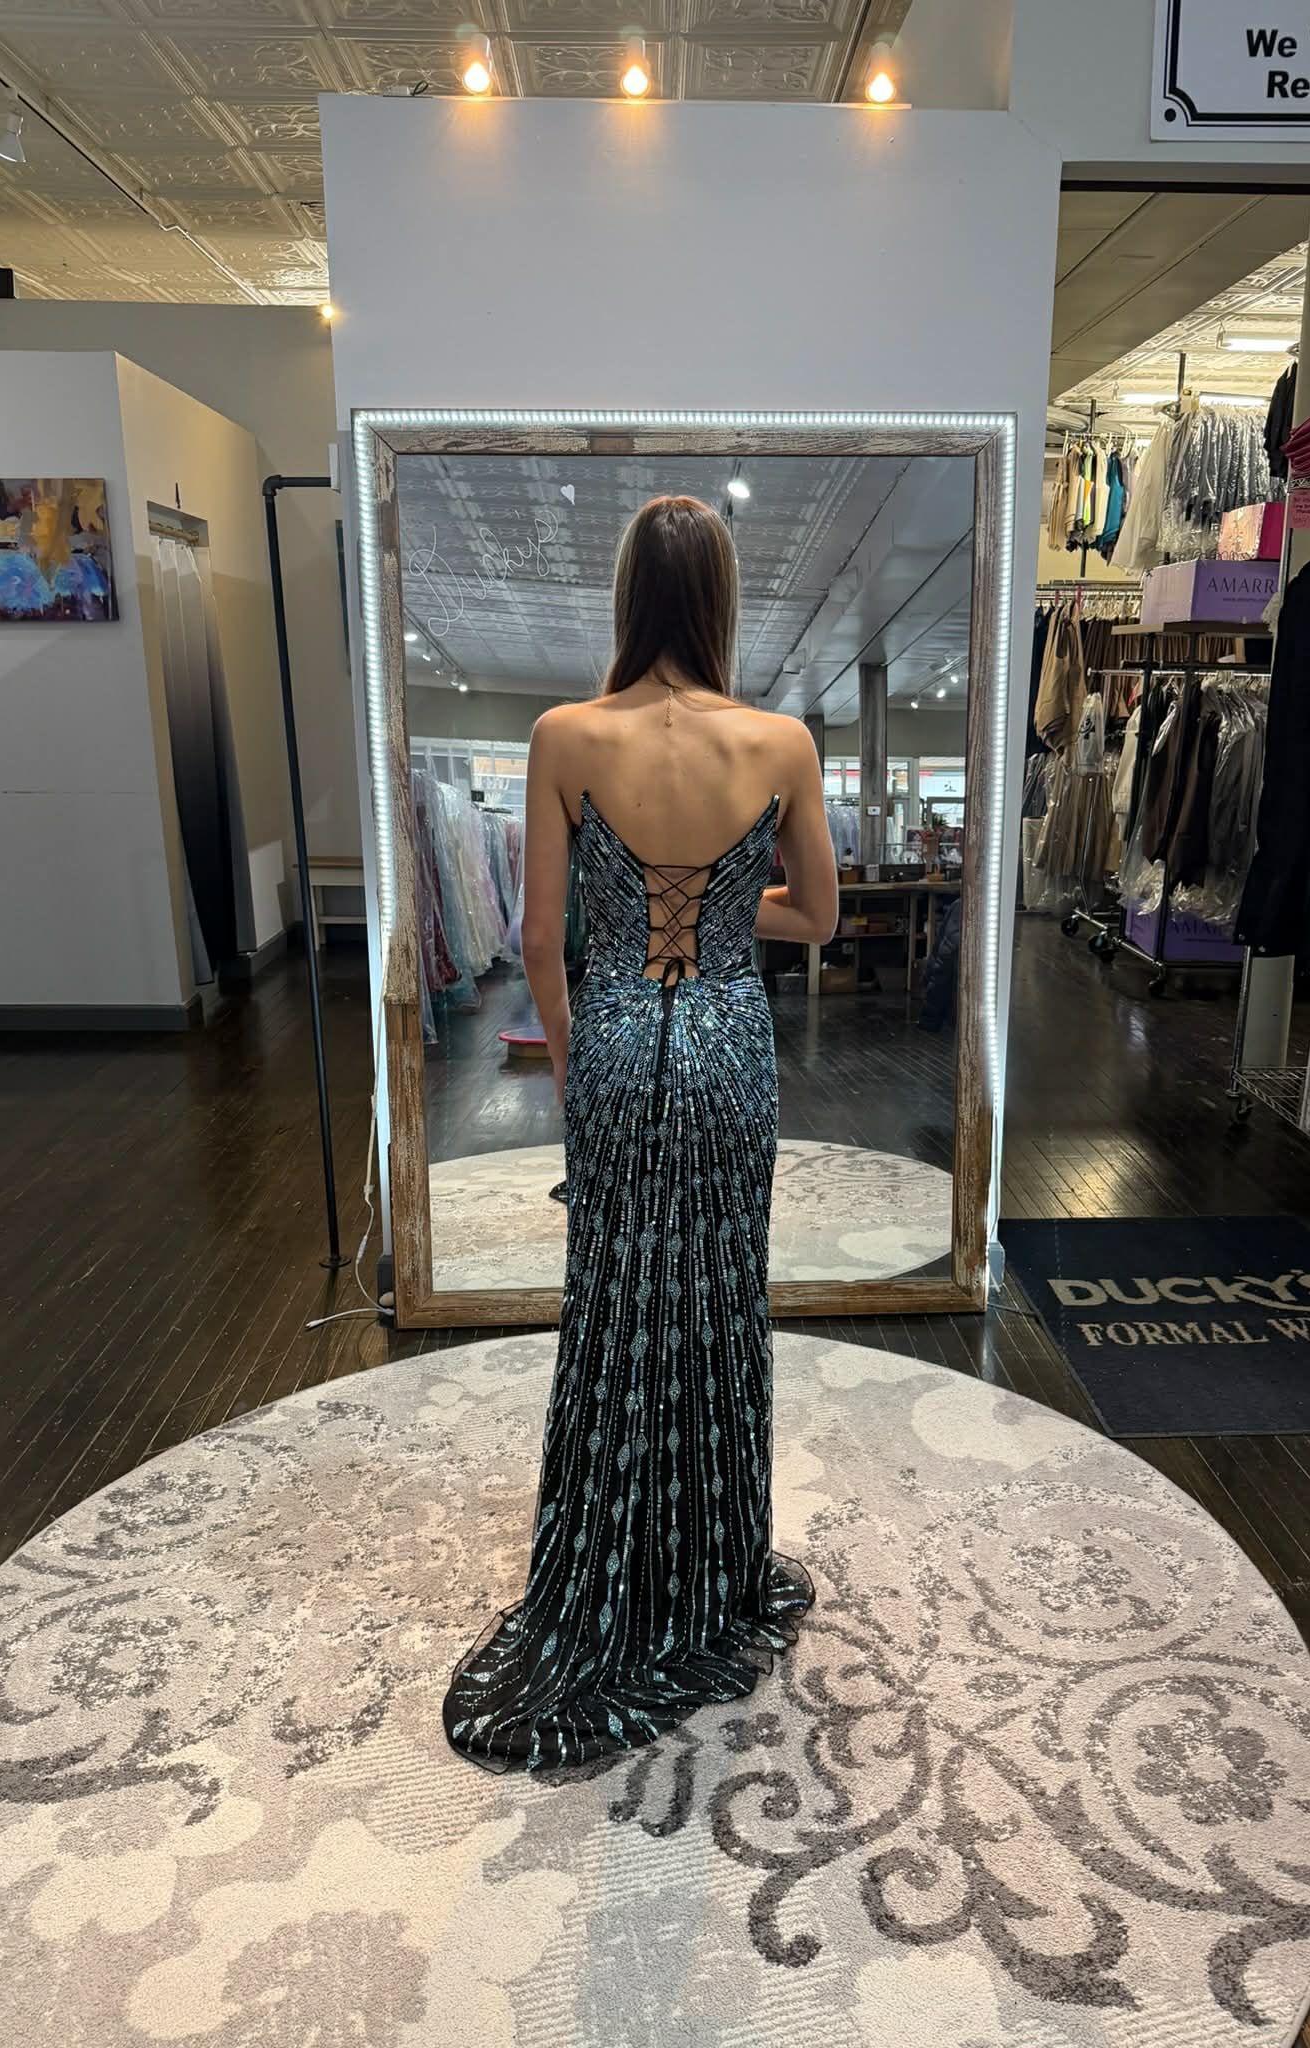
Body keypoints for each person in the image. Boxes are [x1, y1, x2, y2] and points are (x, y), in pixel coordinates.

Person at [442, 495, 839, 1773]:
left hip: (614, 1044)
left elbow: (543, 941)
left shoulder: (565, 733)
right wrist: (730, 915)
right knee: (720, 1297)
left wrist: (573, 1064)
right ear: (720, 601)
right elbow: (818, 914)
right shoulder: (779, 740)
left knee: (614, 1300)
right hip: (729, 1051)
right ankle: (711, 1572)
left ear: (627, 599)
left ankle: (611, 1568)